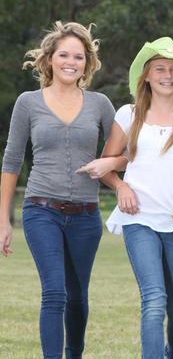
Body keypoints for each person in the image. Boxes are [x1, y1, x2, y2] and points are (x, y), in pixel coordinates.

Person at [85, 37, 173, 358]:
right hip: (138, 220)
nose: (167, 75)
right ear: (146, 75)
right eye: (160, 69)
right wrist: (121, 187)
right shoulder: (128, 115)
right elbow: (109, 164)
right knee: (154, 300)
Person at [0, 21, 117, 358]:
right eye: (64, 54)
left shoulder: (100, 104)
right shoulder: (28, 102)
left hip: (86, 215)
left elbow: (123, 153)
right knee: (54, 292)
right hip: (40, 210)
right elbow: (11, 160)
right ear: (49, 58)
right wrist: (4, 220)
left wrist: (112, 167)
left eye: (78, 56)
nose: (71, 61)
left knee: (78, 295)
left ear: (87, 63)